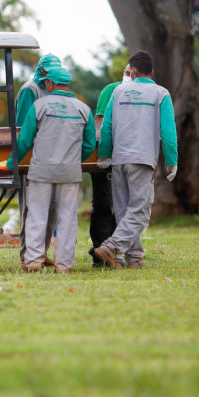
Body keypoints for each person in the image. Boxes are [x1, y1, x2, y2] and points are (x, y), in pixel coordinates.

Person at [0, 66, 96, 273]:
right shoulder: (84, 109)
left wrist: (11, 163)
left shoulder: (39, 106)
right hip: (69, 173)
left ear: (49, 83)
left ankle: (33, 261)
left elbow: (23, 141)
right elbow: (89, 144)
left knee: (37, 216)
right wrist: (74, 161)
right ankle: (64, 265)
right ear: (66, 83)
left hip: (41, 172)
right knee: (67, 218)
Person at [93, 51, 178, 269]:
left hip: (119, 160)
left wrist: (104, 154)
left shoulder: (118, 91)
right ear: (151, 71)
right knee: (140, 211)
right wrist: (172, 159)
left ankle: (135, 259)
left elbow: (107, 126)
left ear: (134, 71)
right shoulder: (161, 94)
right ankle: (111, 247)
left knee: (124, 212)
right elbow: (168, 131)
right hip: (142, 159)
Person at [10, 53, 62, 266]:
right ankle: (27, 256)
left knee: (50, 209)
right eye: (48, 72)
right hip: (33, 158)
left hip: (51, 157)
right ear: (41, 70)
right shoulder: (30, 90)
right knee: (31, 209)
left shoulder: (54, 89)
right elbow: (23, 128)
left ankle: (41, 253)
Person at [88, 66, 131, 267]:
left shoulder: (146, 93)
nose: (130, 74)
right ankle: (99, 251)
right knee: (103, 204)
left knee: (124, 206)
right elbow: (100, 124)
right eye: (128, 70)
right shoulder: (111, 90)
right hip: (104, 157)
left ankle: (114, 249)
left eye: (134, 71)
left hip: (128, 157)